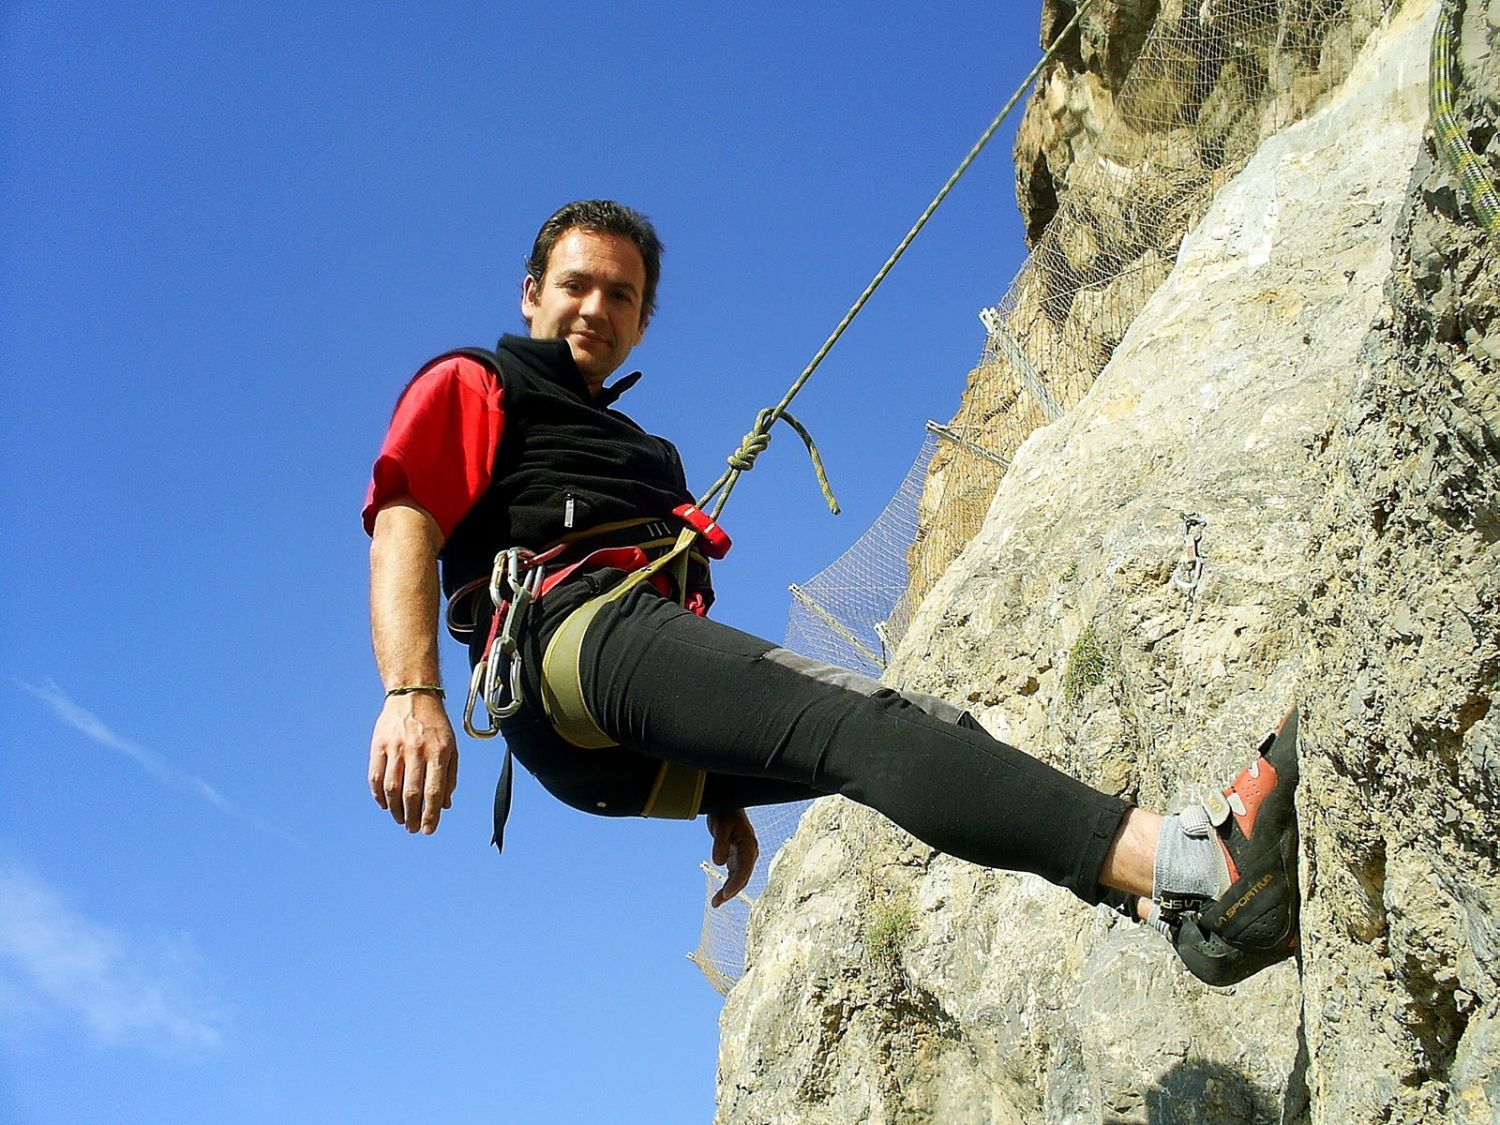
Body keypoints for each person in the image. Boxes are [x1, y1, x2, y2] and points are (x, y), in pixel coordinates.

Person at [363, 199, 1301, 986]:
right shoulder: (477, 382)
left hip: (606, 738)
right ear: (531, 293)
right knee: (871, 728)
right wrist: (410, 691)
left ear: (643, 322)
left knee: (926, 729)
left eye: (622, 295)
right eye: (576, 285)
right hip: (567, 642)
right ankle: (1200, 863)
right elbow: (407, 519)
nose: (595, 308)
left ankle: (1172, 910)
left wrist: (722, 788)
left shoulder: (648, 456)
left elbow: (677, 637)